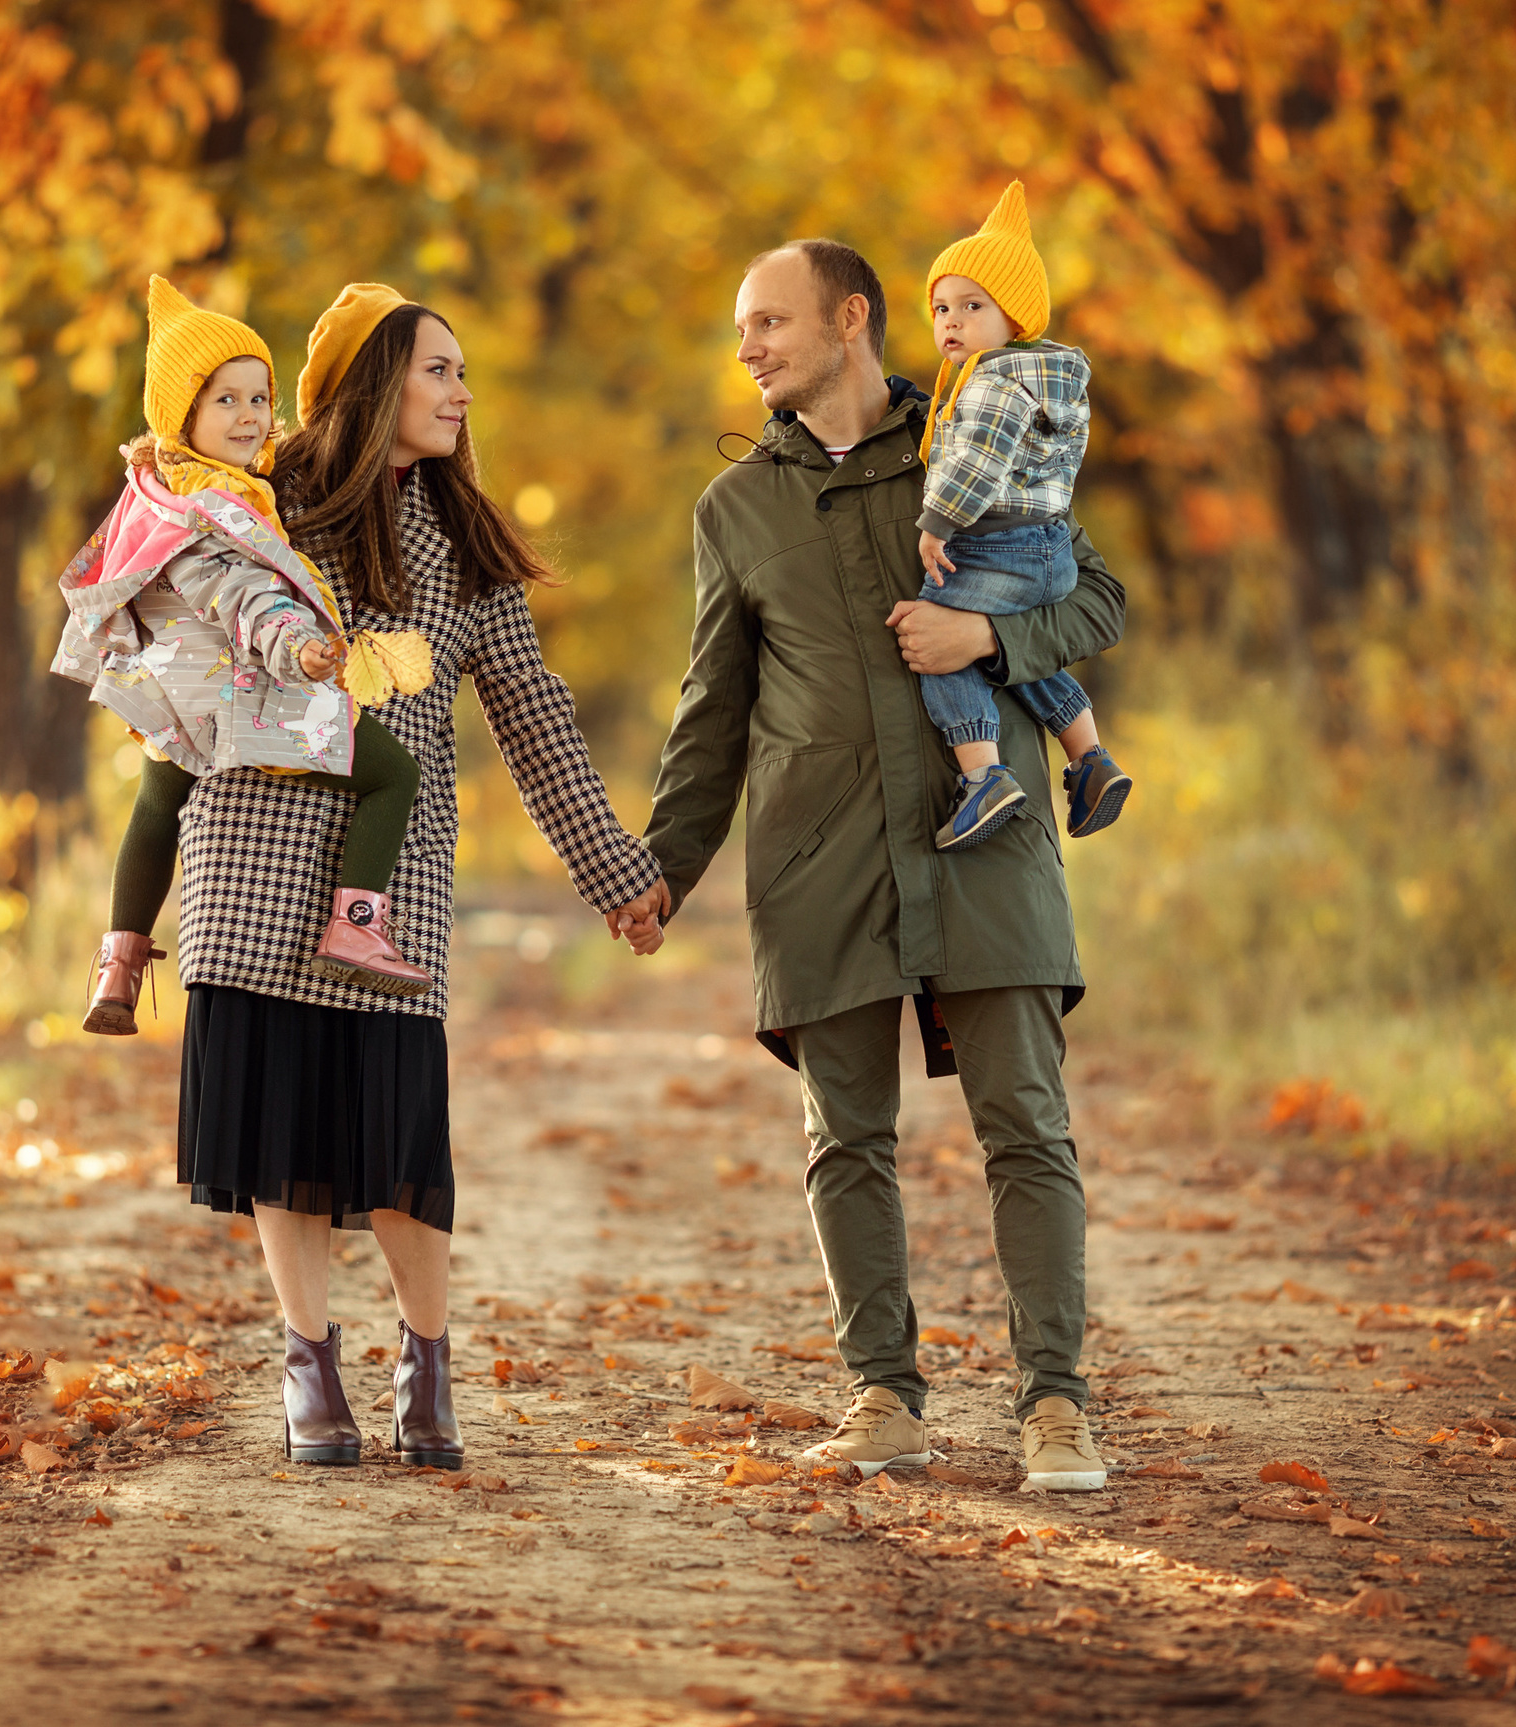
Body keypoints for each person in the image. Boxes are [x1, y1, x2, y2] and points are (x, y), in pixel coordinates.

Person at [636, 236, 1125, 1492]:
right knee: (842, 1135)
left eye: (768, 323)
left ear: (849, 319)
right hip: (819, 853)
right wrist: (663, 865)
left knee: (1025, 1121)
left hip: (987, 834)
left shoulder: (978, 424)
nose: (746, 348)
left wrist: (988, 631)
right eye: (742, 329)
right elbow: (712, 705)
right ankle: (884, 1396)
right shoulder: (735, 507)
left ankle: (1056, 1404)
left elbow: (1098, 599)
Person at [168, 282, 665, 1469]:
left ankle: (426, 1364)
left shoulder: (466, 544)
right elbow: (167, 554)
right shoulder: (266, 502)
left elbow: (536, 718)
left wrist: (617, 873)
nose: (460, 391)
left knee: (398, 1141)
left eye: (461, 370)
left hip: (390, 886)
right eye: (438, 368)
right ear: (373, 382)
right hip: (252, 846)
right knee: (280, 1123)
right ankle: (308, 1368)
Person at [55, 277, 437, 1035]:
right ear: (180, 411)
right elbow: (241, 595)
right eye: (224, 399)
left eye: (259, 398)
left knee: (157, 802)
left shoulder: (161, 488)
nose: (249, 416)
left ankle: (119, 962)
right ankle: (356, 922)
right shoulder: (216, 507)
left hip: (175, 687)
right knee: (394, 773)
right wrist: (302, 650)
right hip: (247, 691)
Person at [911, 183, 1132, 851]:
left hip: (998, 545)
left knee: (934, 639)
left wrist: (936, 522)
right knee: (1005, 653)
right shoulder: (1049, 379)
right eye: (942, 307)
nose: (951, 321)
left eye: (972, 306)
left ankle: (984, 775)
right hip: (1046, 549)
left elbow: (978, 462)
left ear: (1015, 317)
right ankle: (1089, 756)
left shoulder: (996, 380)